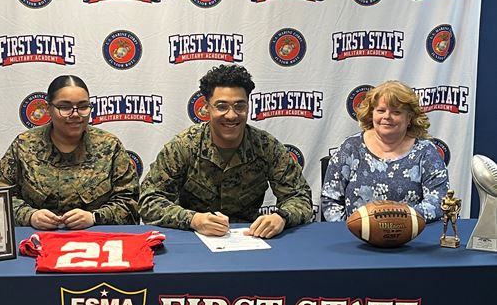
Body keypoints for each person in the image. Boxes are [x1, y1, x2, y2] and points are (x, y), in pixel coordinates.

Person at [138, 65, 314, 238]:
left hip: (250, 239)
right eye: (222, 106)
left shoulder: (266, 146)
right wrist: (193, 219)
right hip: (192, 240)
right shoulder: (183, 146)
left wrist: (281, 217)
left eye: (239, 106)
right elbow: (149, 200)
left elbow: (300, 197)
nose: (231, 115)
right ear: (207, 107)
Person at [0, 75, 139, 229]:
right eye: (65, 107)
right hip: (36, 241)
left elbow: (131, 203)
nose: (75, 114)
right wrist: (29, 216)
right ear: (48, 109)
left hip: (95, 242)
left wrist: (94, 217)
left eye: (83, 106)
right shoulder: (25, 145)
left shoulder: (109, 146)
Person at [321, 80, 449, 222]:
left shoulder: (426, 151)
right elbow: (330, 199)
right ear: (371, 114)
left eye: (396, 112)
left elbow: (438, 201)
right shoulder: (350, 147)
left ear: (409, 118)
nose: (387, 117)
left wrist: (398, 222)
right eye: (381, 110)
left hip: (412, 238)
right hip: (355, 238)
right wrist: (350, 230)